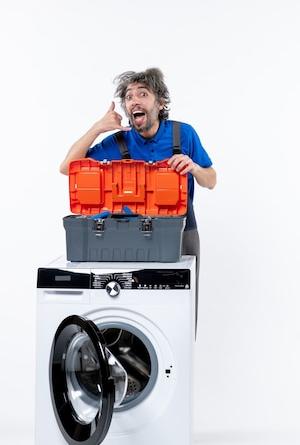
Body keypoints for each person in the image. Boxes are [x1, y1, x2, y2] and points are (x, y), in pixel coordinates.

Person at [60, 67, 216, 329]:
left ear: (160, 103)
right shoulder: (119, 141)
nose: (134, 101)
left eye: (143, 94)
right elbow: (67, 167)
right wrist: (97, 128)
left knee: (181, 308)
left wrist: (195, 167)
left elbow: (211, 180)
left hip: (179, 230)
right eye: (129, 96)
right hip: (128, 233)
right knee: (134, 307)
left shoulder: (183, 134)